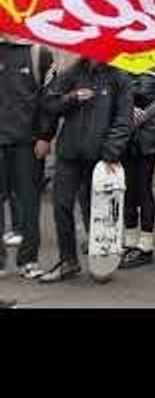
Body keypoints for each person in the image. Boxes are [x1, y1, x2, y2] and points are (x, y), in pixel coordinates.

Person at [37, 59, 133, 282]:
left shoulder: (119, 77)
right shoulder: (73, 72)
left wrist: (111, 152)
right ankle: (68, 260)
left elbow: (123, 120)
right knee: (61, 205)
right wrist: (72, 98)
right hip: (69, 153)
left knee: (97, 209)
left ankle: (101, 260)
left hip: (99, 158)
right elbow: (49, 103)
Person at [0, 36, 54, 280]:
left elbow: (49, 99)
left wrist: (45, 136)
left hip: (28, 144)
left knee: (30, 204)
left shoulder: (39, 53)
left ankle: (29, 260)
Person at [119, 71, 155, 269]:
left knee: (143, 187)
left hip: (148, 135)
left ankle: (145, 245)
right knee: (129, 188)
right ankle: (130, 240)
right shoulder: (126, 66)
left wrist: (129, 103)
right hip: (128, 135)